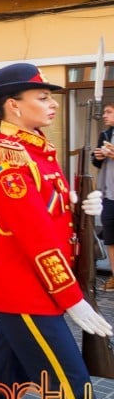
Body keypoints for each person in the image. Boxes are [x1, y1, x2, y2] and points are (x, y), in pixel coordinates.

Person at [0, 63, 113, 399]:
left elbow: (50, 215)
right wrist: (72, 297)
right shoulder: (6, 157)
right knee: (72, 396)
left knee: (0, 393)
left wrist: (81, 208)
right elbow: (33, 237)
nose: (52, 104)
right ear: (13, 106)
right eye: (43, 97)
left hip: (29, 290)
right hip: (26, 292)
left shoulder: (37, 148)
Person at [92, 102, 114, 292]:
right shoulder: (105, 135)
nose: (104, 115)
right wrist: (97, 157)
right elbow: (96, 164)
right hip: (109, 195)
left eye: (109, 112)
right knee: (111, 238)